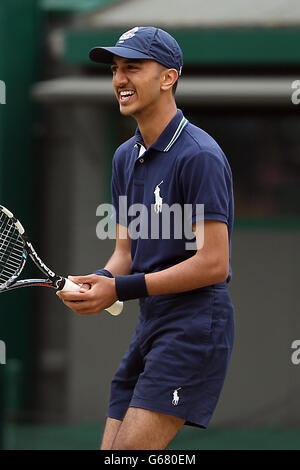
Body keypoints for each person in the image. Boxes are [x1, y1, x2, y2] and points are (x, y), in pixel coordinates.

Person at [57, 26, 235, 450]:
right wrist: (99, 281)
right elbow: (126, 253)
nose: (120, 78)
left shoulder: (200, 156)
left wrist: (120, 289)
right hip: (151, 323)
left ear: (168, 77)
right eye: (116, 69)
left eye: (133, 67)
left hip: (195, 326)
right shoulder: (125, 156)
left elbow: (214, 263)